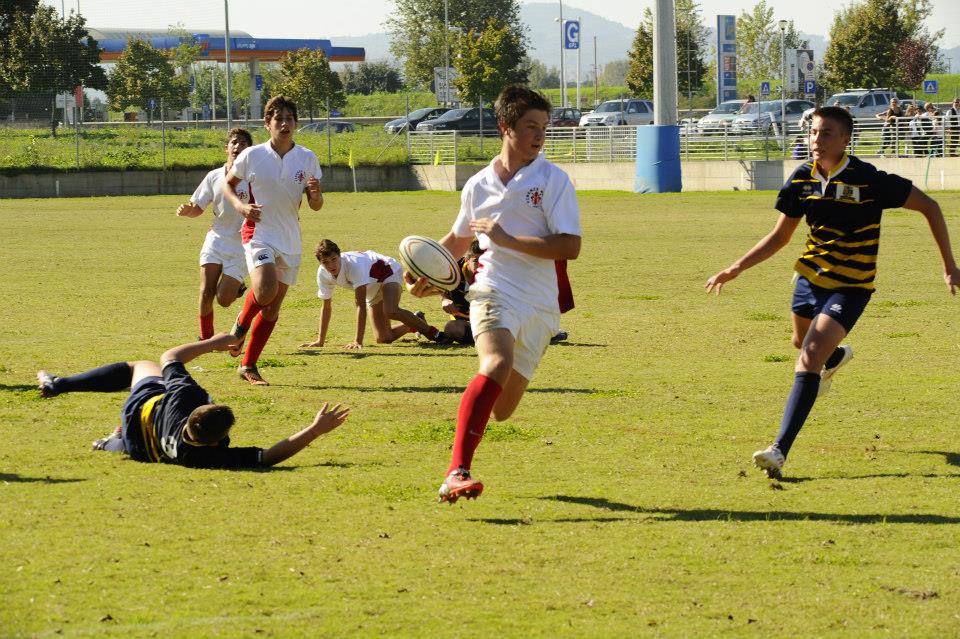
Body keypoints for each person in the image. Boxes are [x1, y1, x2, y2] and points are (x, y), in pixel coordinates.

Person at [705, 106, 960, 480]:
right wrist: (737, 267)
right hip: (809, 279)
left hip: (852, 286)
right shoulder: (801, 179)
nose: (817, 141)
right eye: (813, 133)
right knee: (801, 343)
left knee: (808, 357)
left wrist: (949, 266)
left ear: (845, 140)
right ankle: (836, 357)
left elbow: (931, 207)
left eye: (826, 134)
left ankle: (779, 450)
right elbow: (780, 236)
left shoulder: (869, 180)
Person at [409, 85, 581, 503]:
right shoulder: (478, 186)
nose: (539, 136)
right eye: (529, 127)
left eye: (543, 127)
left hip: (540, 305)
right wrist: (422, 270)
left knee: (502, 409)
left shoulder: (553, 180)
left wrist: (507, 237)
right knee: (495, 363)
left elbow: (569, 247)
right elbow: (456, 237)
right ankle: (457, 471)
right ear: (505, 127)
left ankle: (465, 448)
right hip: (492, 289)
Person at [35, 333, 349, 468]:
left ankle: (59, 384)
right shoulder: (206, 459)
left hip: (142, 411)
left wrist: (216, 342)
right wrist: (314, 430)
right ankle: (113, 441)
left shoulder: (185, 398)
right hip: (144, 448)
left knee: (140, 368)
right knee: (134, 437)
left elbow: (170, 356)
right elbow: (267, 457)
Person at [224, 95, 324, 386]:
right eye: (278, 119)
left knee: (272, 308)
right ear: (267, 124)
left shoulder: (307, 157)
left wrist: (316, 195)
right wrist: (241, 207)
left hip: (290, 238)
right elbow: (228, 185)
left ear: (296, 124)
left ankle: (248, 366)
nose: (284, 124)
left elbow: (315, 205)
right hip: (259, 233)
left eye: (289, 119)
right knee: (264, 290)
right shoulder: (251, 155)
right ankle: (240, 328)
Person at [176, 127, 253, 340]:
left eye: (243, 143)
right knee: (205, 291)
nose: (238, 146)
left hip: (241, 245)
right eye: (234, 142)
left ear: (250, 150)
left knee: (223, 299)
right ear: (226, 148)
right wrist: (187, 211)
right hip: (216, 239)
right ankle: (206, 338)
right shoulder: (214, 176)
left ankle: (236, 288)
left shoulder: (253, 177)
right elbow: (198, 206)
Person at [300, 239, 447, 349]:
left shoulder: (353, 265)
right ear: (320, 263)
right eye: (325, 262)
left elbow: (360, 305)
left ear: (340, 256)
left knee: (391, 310)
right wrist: (320, 341)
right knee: (384, 338)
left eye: (334, 259)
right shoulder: (322, 274)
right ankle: (416, 321)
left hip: (387, 272)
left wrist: (358, 341)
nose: (331, 265)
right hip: (371, 285)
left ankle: (434, 334)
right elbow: (326, 306)